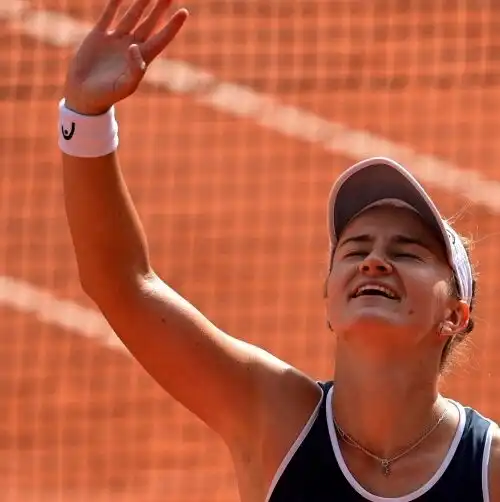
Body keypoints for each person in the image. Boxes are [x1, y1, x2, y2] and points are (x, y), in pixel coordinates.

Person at [58, 0, 500, 500]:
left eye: (408, 252)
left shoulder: (489, 469)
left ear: (455, 315)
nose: (375, 260)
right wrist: (85, 118)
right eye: (354, 250)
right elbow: (121, 282)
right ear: (328, 301)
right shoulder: (274, 420)